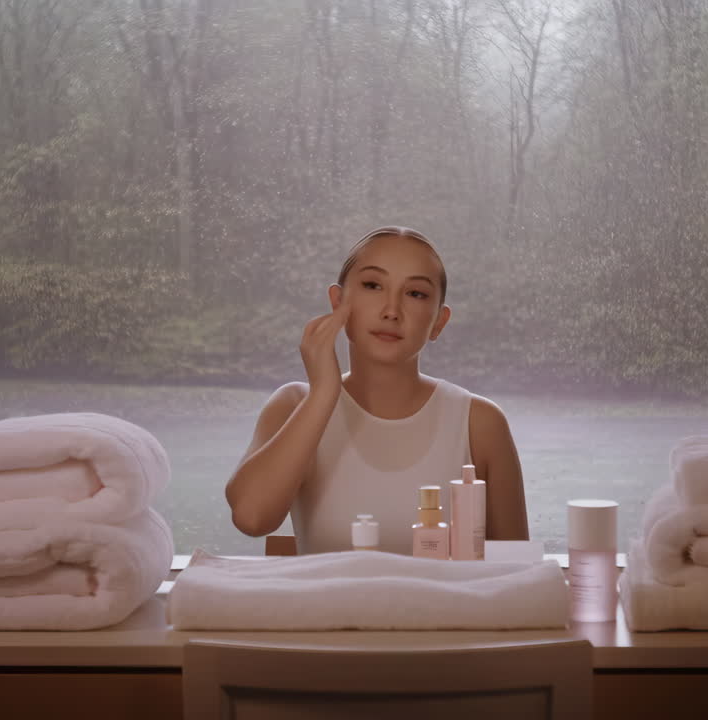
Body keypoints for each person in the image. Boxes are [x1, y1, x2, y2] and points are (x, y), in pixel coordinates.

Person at [225, 226, 529, 554]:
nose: (391, 310)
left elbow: (516, 578)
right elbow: (252, 518)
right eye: (373, 285)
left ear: (439, 321)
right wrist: (324, 393)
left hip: (447, 608)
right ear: (338, 301)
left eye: (415, 293)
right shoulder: (295, 404)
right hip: (330, 607)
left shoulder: (480, 423)